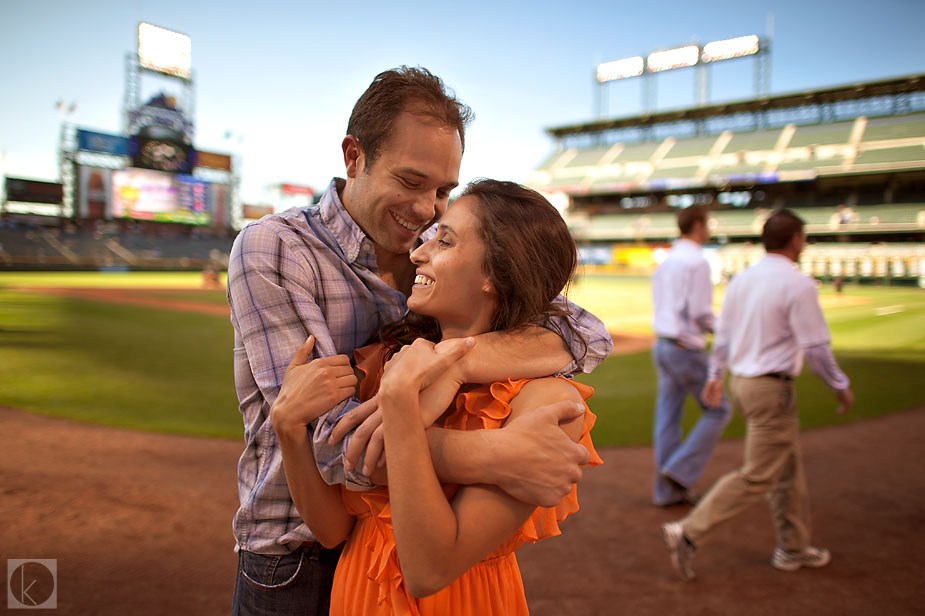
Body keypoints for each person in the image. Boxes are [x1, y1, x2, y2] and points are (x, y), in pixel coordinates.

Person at [227, 67, 613, 615]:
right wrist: (492, 453)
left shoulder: (432, 267)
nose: (427, 212)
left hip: (405, 553)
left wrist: (453, 363)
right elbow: (334, 449)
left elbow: (588, 335)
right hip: (297, 555)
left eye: (442, 192)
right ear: (354, 156)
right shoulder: (277, 247)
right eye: (411, 182)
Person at [271, 179, 603, 614]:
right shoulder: (387, 358)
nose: (417, 252)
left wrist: (401, 403)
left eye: (444, 240)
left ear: (495, 275)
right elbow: (334, 530)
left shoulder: (544, 402)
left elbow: (428, 569)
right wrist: (289, 429)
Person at [661, 208, 855, 581]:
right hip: (771, 388)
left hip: (744, 382)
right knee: (758, 474)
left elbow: (727, 336)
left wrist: (717, 375)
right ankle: (688, 532)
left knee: (787, 468)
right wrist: (840, 386)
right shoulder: (798, 284)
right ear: (796, 239)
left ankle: (793, 547)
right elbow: (815, 347)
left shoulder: (742, 281)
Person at [650, 205, 732, 506]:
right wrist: (727, 328)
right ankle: (679, 472)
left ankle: (666, 492)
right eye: (707, 223)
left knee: (667, 419)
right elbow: (700, 313)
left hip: (663, 345)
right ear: (698, 225)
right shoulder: (697, 260)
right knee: (719, 410)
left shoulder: (668, 259)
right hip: (686, 348)